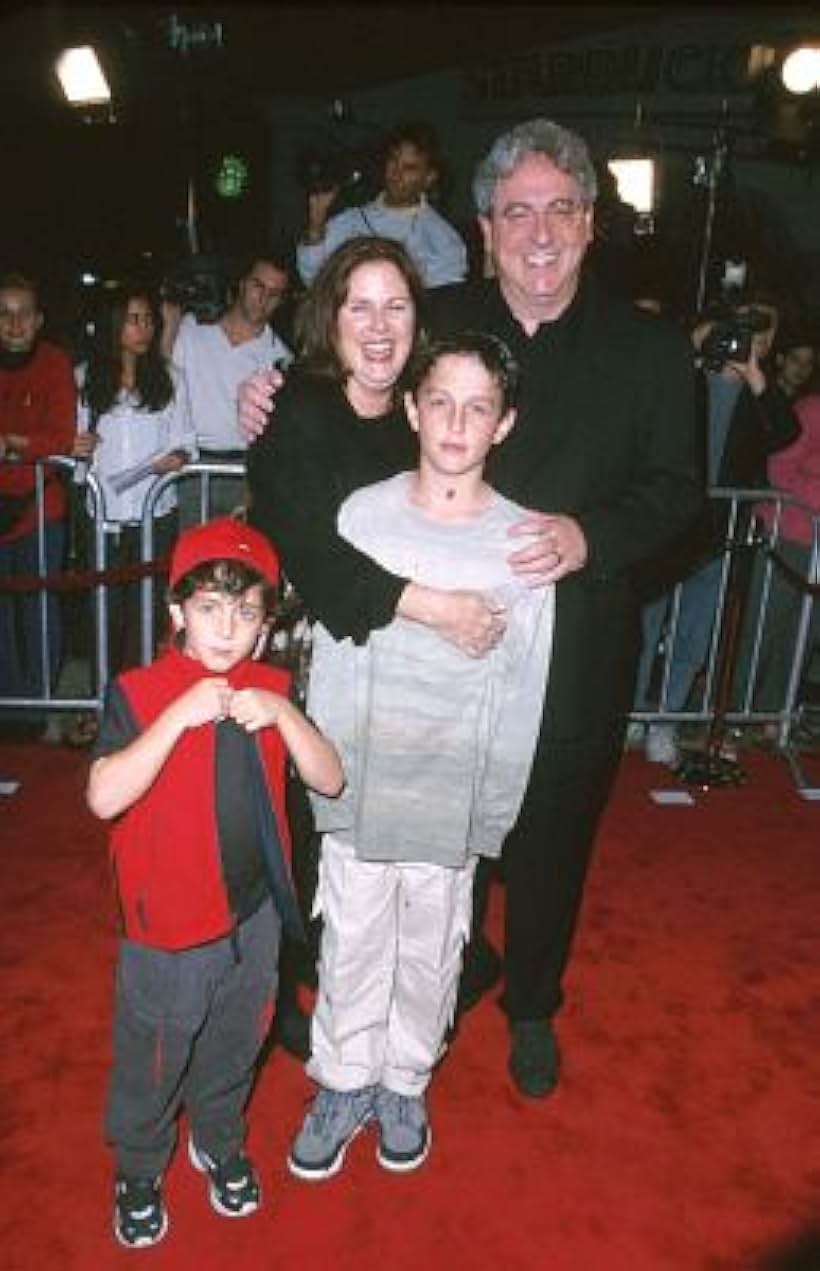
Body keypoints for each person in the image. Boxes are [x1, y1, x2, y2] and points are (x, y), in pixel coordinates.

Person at [242, 118, 702, 1099]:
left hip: (572, 641)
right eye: (516, 211)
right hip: (423, 648)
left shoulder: (650, 350)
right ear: (484, 226)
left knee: (547, 832)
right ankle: (419, 981)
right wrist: (272, 391)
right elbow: (349, 372)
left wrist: (592, 538)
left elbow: (679, 492)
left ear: (590, 223)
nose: (540, 231)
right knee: (417, 830)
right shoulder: (436, 317)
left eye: (561, 209)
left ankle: (531, 1002)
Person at [286, 331, 554, 1179]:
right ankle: (341, 1076)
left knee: (432, 944)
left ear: (504, 424)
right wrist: (326, 778)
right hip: (363, 778)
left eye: (479, 407)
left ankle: (403, 1079)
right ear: (409, 407)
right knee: (353, 935)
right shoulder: (362, 513)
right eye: (440, 400)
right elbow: (331, 650)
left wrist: (495, 806)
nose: (456, 422)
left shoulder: (523, 544)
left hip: (452, 786)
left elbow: (527, 688)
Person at [247, 236, 509, 1060]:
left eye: (396, 304)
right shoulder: (296, 408)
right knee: (303, 827)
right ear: (330, 316)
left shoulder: (423, 411)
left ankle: (415, 967)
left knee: (395, 818)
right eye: (359, 304)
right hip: (309, 653)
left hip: (402, 659)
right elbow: (313, 555)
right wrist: (433, 605)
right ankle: (299, 982)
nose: (379, 323)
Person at [86, 515, 343, 1249]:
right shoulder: (139, 692)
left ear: (265, 626)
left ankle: (219, 1136)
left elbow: (330, 777)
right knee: (157, 1049)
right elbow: (104, 796)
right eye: (208, 608)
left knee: (238, 1037)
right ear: (177, 614)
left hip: (254, 915)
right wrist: (178, 716)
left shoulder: (271, 684)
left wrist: (285, 711)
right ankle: (139, 1166)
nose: (227, 627)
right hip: (167, 922)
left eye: (245, 610)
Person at [634, 294, 801, 765]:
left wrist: (753, 375)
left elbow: (786, 433)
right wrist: (691, 345)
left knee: (695, 633)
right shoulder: (683, 378)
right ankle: (629, 714)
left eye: (765, 331)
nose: (754, 338)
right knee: (645, 627)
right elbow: (644, 394)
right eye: (746, 326)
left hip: (718, 532)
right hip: (665, 526)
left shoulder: (759, 395)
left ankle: (664, 724)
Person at [71, 284, 196, 713]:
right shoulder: (85, 378)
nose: (144, 329)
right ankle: (100, 702)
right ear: (113, 326)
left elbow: (186, 442)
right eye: (133, 319)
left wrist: (175, 459)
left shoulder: (170, 378)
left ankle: (145, 704)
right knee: (104, 613)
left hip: (153, 511)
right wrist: (77, 448)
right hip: (103, 513)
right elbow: (74, 447)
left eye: (148, 320)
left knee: (150, 610)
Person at [169, 249, 293, 523]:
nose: (263, 299)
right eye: (258, 286)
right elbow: (162, 383)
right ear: (242, 283)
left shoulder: (280, 358)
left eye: (274, 294)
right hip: (191, 467)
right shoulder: (191, 331)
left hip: (244, 474)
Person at [0, 271, 76, 709]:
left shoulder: (54, 362)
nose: (15, 324)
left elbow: (62, 437)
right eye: (5, 314)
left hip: (39, 506)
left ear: (39, 319)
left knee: (38, 606)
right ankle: (11, 703)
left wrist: (10, 445)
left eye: (24, 314)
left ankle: (41, 701)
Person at [297, 120, 468, 290]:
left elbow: (442, 304)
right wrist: (316, 221)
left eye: (409, 167)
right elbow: (313, 278)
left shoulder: (444, 240)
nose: (396, 173)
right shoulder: (351, 220)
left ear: (429, 177)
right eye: (393, 160)